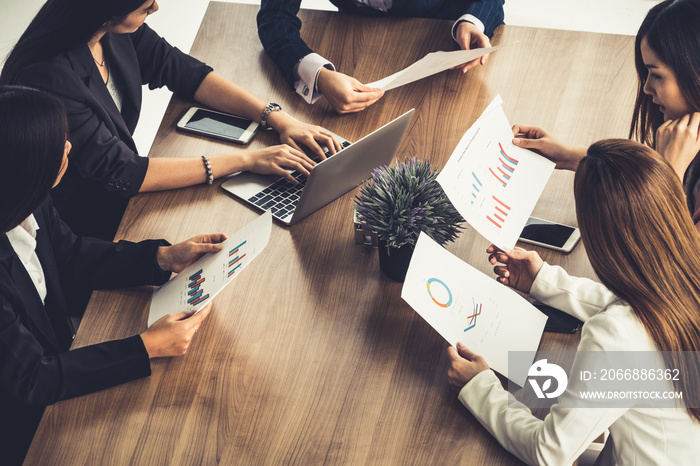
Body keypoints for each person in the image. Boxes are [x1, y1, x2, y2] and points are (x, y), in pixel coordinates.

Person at [0, 86, 225, 465]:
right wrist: (146, 346)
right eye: (59, 144)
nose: (69, 147)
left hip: (59, 369)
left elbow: (70, 256)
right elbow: (32, 379)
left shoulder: (28, 199)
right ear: (29, 165)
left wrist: (162, 258)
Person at [446, 139, 700, 465]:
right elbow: (645, 311)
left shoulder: (618, 337)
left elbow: (549, 452)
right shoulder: (687, 272)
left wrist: (479, 387)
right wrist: (543, 281)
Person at [0, 0, 342, 241]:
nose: (156, 9)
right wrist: (247, 160)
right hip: (88, 225)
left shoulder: (111, 32)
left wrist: (277, 118)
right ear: (106, 12)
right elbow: (122, 171)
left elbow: (182, 71)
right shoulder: (50, 77)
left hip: (126, 196)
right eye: (146, 6)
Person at [511, 0, 700, 230]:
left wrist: (670, 173)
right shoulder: (686, 135)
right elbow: (644, 171)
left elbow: (661, 260)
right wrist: (568, 156)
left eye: (657, 75)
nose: (646, 88)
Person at [257, 0, 505, 114]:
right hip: (360, 43)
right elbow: (274, 19)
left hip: (451, 47)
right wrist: (318, 75)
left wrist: (473, 20)